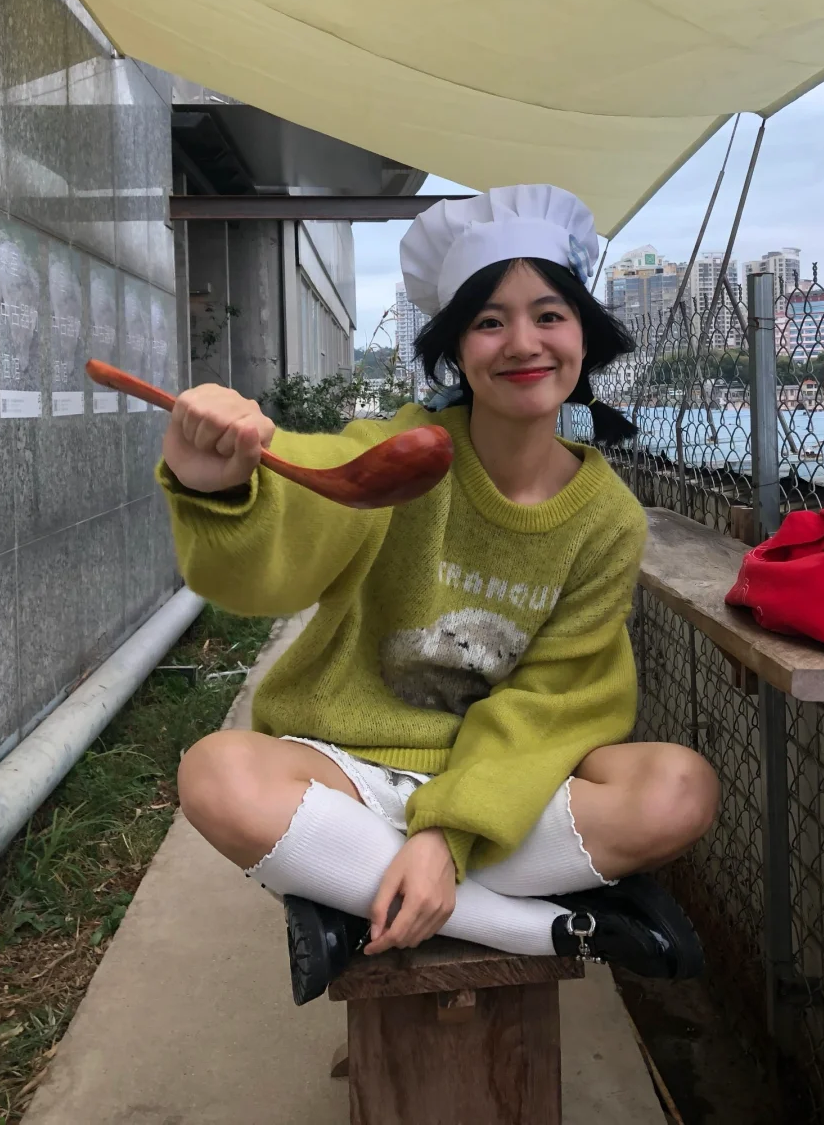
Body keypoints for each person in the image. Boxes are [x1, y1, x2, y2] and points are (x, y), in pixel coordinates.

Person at [161, 185, 720, 1003]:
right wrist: (222, 483)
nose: (522, 343)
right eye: (490, 321)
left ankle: (349, 901)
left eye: (550, 315)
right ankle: (550, 924)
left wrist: (447, 835)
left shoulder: (606, 519)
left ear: (583, 336)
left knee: (679, 788)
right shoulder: (403, 453)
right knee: (215, 773)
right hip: (349, 769)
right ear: (457, 347)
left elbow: (554, 700)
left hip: (504, 783)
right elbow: (310, 502)